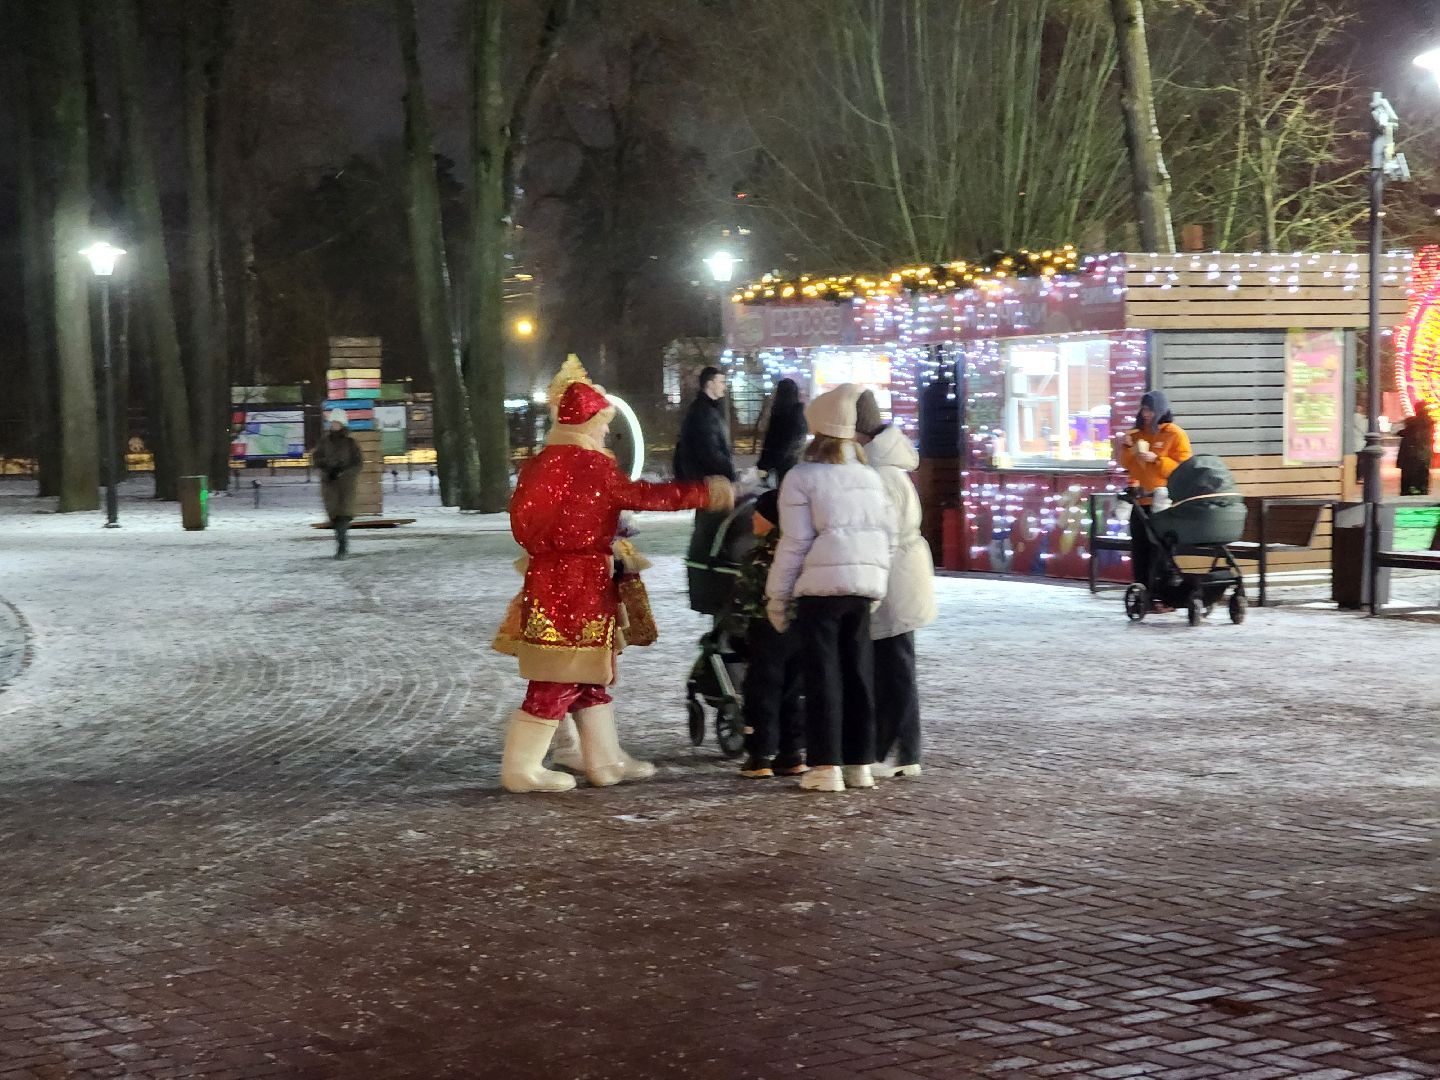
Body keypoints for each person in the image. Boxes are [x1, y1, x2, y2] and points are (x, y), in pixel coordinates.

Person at [498, 368, 734, 794]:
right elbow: (644, 496)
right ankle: (523, 766)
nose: (606, 435)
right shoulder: (592, 466)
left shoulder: (536, 465)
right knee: (561, 671)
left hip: (546, 575)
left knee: (588, 673)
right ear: (588, 426)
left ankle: (604, 760)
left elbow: (522, 520)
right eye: (603, 426)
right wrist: (704, 491)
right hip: (581, 581)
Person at [765, 383, 894, 793]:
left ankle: (826, 764)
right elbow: (884, 536)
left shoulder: (802, 477)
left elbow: (795, 542)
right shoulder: (870, 477)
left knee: (823, 677)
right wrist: (877, 582)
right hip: (863, 588)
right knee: (858, 672)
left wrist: (777, 595)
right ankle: (860, 762)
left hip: (819, 589)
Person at [855, 390, 937, 779]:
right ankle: (906, 751)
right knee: (897, 661)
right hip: (903, 572)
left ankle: (888, 749)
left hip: (894, 576)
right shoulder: (889, 466)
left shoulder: (878, 474)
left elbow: (882, 535)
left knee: (893, 665)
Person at [731, 489, 807, 779]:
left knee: (762, 692)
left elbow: (742, 599)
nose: (753, 517)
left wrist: (737, 633)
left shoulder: (759, 555)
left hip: (765, 630)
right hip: (798, 631)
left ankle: (760, 756)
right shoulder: (803, 551)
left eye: (759, 513)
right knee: (793, 690)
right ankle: (792, 754)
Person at [1115, 390, 1192, 607]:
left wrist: (1157, 459)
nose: (1146, 414)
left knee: (1160, 550)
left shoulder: (1175, 434)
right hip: (1140, 503)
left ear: (1161, 410)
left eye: (1150, 409)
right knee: (1139, 549)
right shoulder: (1138, 433)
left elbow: (1183, 468)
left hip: (1163, 504)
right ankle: (1143, 593)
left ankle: (1165, 597)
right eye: (1144, 409)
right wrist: (1128, 447)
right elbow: (1127, 465)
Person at [313, 411, 364, 559]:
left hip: (346, 486)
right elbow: (316, 459)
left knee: (344, 515)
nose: (334, 425)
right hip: (330, 485)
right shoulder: (324, 442)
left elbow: (358, 463)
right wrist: (327, 470)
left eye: (337, 423)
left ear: (342, 424)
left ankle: (342, 547)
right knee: (335, 516)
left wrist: (344, 472)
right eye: (333, 422)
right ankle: (341, 545)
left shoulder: (350, 443)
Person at [674, 366, 737, 483]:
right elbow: (711, 451)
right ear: (710, 384)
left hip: (701, 479)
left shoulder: (705, 409)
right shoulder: (704, 413)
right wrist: (730, 473)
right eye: (721, 382)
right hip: (705, 481)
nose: (724, 386)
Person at [756, 378, 808, 485]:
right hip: (793, 463)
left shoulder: (779, 415)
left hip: (785, 465)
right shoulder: (798, 414)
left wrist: (765, 465)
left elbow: (771, 441)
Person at [1397, 401, 1434, 496]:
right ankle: (1423, 489)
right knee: (1423, 473)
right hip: (1425, 452)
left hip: (1411, 453)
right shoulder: (1430, 422)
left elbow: (1402, 432)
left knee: (1408, 475)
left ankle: (1407, 491)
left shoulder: (1412, 422)